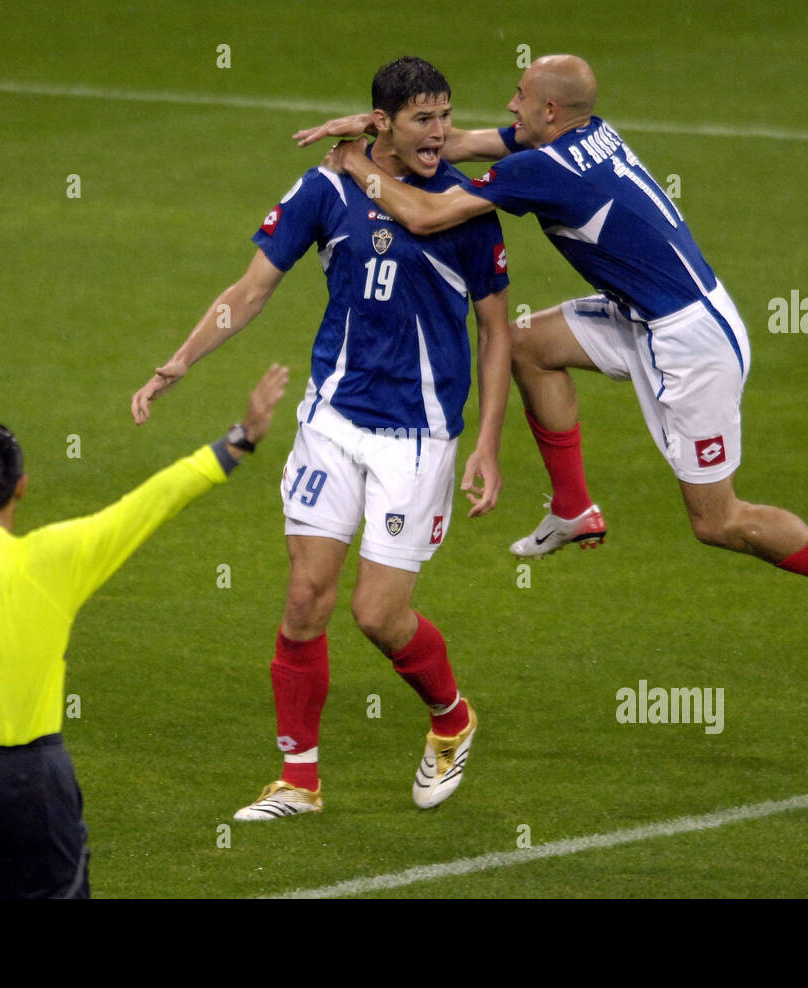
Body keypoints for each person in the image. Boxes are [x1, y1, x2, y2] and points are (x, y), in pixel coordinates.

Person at [305, 53, 808, 656]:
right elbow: (464, 143)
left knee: (718, 520)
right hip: (649, 314)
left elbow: (423, 214)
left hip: (690, 342)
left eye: (519, 96)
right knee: (526, 344)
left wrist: (357, 165)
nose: (508, 104)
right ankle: (574, 509)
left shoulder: (543, 167)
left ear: (550, 109)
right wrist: (378, 126)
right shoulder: (587, 134)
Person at [131, 57, 511, 820]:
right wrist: (182, 358)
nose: (440, 133)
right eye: (422, 120)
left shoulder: (470, 204)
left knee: (377, 614)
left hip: (420, 434)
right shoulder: (322, 189)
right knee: (305, 598)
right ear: (382, 122)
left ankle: (452, 718)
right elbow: (251, 289)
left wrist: (488, 444)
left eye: (445, 117)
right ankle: (299, 779)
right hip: (333, 421)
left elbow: (497, 330)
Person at [0, 364, 290, 897]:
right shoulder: (53, 558)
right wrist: (238, 441)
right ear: (22, 487)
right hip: (29, 781)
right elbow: (148, 504)